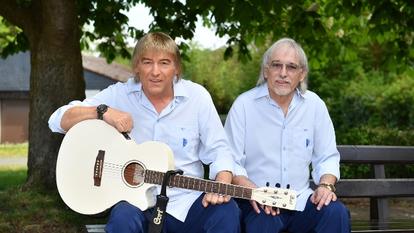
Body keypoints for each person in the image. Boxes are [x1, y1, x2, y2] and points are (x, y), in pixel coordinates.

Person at [49, 32, 240, 233]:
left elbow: (220, 149)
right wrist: (103, 111)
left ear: (176, 68)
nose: (155, 72)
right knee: (122, 219)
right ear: (136, 67)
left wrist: (222, 181)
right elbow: (57, 120)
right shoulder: (119, 94)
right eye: (147, 62)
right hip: (136, 203)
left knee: (226, 212)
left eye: (164, 63)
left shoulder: (197, 98)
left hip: (187, 201)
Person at [224, 38, 350, 233]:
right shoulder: (244, 106)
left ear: (302, 74)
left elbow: (327, 157)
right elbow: (230, 162)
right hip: (256, 201)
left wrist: (325, 185)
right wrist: (254, 192)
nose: (283, 73)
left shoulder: (315, 106)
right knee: (264, 223)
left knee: (335, 212)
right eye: (276, 65)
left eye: (291, 67)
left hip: (300, 200)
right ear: (266, 70)